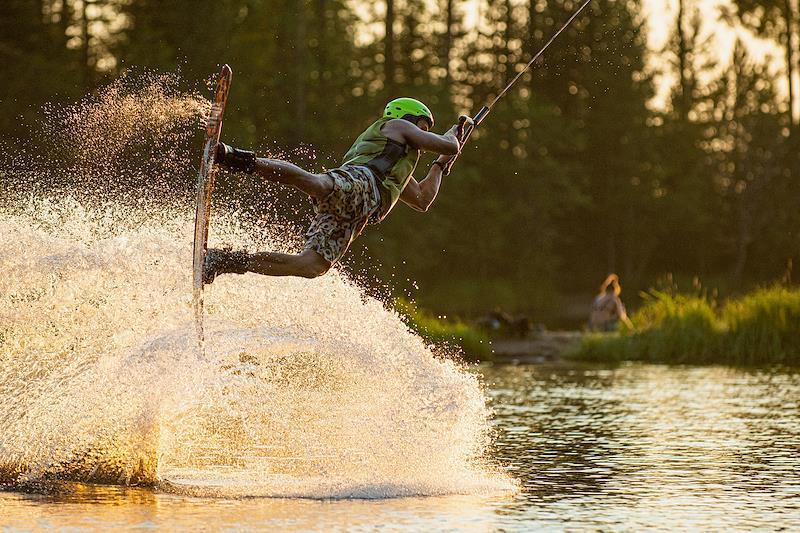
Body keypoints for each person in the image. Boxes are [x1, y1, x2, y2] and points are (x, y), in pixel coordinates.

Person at [203, 97, 461, 283]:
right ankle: (233, 158)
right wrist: (453, 137)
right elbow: (448, 145)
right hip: (361, 181)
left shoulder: (399, 171)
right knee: (318, 184)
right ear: (406, 117)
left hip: (361, 211)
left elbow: (422, 199)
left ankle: (227, 261)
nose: (422, 135)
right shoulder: (395, 126)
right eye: (422, 128)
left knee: (311, 266)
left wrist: (440, 166)